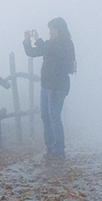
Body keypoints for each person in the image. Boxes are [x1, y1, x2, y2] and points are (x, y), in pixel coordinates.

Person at [23, 17, 76, 161]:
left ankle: (58, 149)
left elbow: (53, 51)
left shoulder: (65, 44)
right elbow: (32, 52)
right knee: (46, 117)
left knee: (54, 117)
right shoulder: (51, 44)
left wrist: (38, 39)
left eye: (52, 29)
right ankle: (50, 147)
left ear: (59, 29)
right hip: (46, 86)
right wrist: (27, 41)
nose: (51, 32)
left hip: (57, 87)